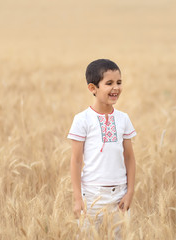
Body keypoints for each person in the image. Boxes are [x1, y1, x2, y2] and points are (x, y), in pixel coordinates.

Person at [68, 59, 136, 237]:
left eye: (119, 82)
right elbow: (75, 161)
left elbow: (129, 158)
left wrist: (129, 193)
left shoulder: (123, 119)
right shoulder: (82, 120)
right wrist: (77, 199)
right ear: (92, 88)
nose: (116, 88)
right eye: (109, 83)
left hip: (119, 196)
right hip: (92, 196)